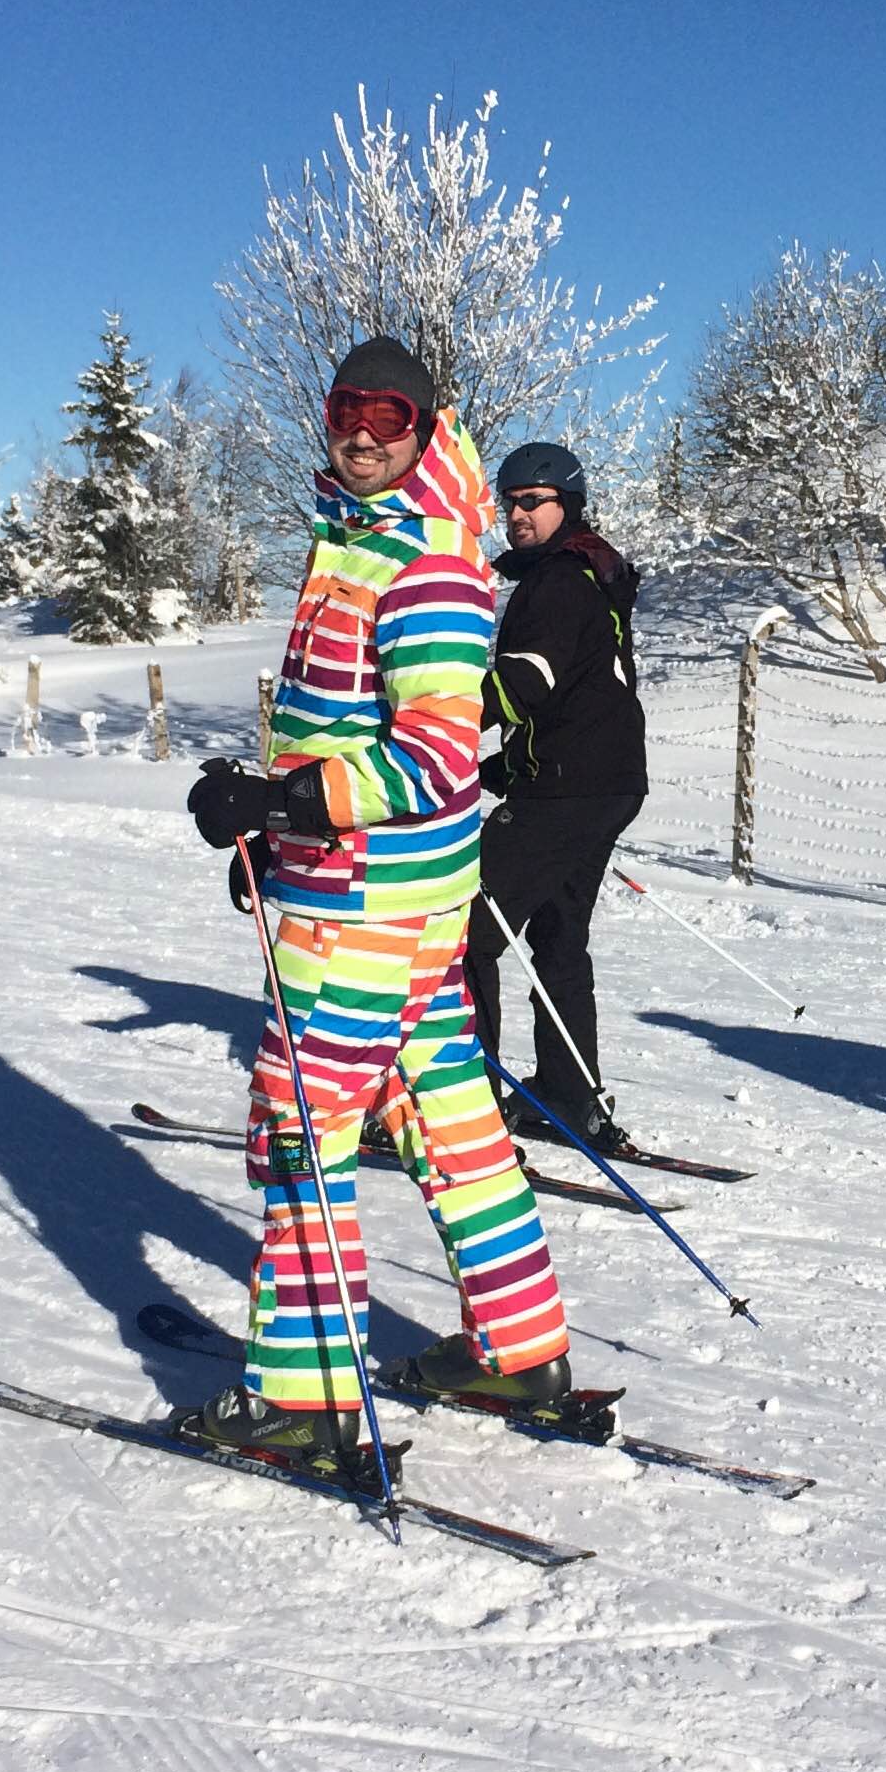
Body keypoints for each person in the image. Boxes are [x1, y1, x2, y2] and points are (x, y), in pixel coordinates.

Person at [173, 336, 577, 1471]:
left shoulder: (427, 565)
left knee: (302, 1127)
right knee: (442, 1112)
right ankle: (517, 1347)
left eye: (387, 413)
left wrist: (285, 801)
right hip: (385, 900)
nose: (361, 431)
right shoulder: (358, 543)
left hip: (360, 910)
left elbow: (437, 760)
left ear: (425, 424)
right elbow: (343, 731)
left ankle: (303, 1399)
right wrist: (277, 833)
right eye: (345, 406)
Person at [467, 439, 648, 1151]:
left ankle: (461, 1111)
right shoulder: (584, 576)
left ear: (566, 505)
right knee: (558, 937)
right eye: (509, 503)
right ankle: (569, 1098)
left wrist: (432, 726)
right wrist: (508, 768)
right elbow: (577, 700)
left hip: (571, 790)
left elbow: (523, 685)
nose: (516, 515)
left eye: (532, 502)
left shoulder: (557, 583)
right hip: (599, 782)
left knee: (462, 928)